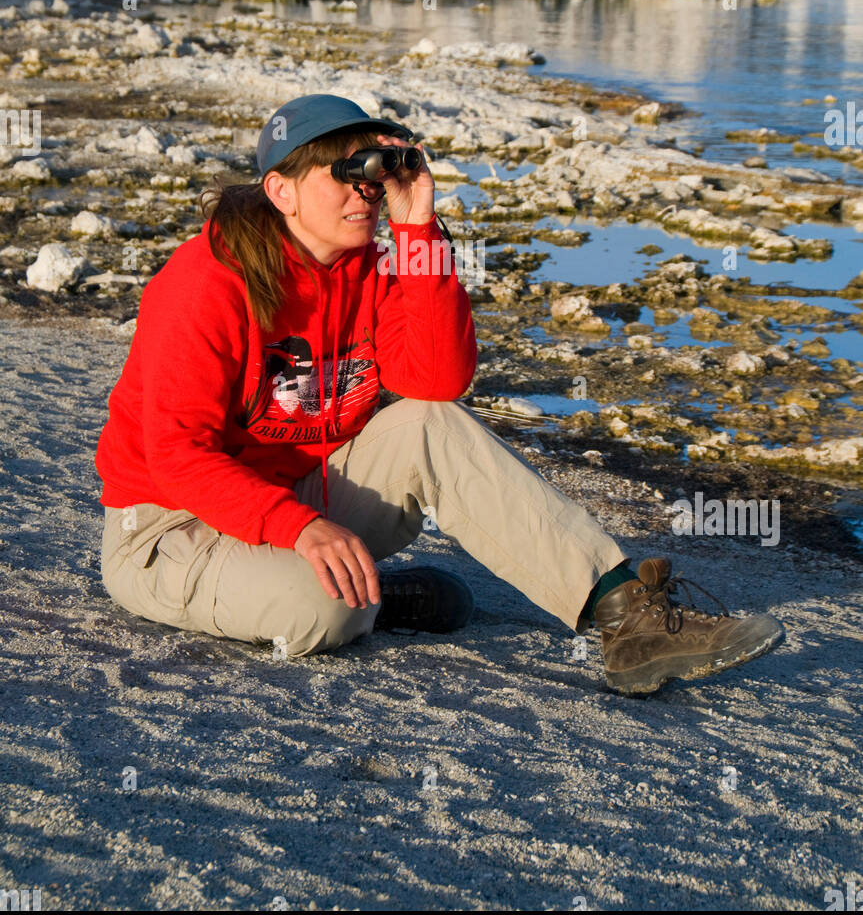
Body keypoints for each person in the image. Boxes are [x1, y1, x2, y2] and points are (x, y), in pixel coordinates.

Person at [95, 94, 785, 695]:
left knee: (429, 422)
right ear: (281, 192)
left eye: (371, 172)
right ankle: (373, 599)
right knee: (323, 613)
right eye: (343, 174)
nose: (363, 191)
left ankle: (622, 613)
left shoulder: (369, 268)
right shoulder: (205, 283)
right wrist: (298, 529)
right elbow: (175, 454)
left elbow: (436, 382)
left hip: (297, 493)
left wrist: (417, 226)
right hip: (171, 527)